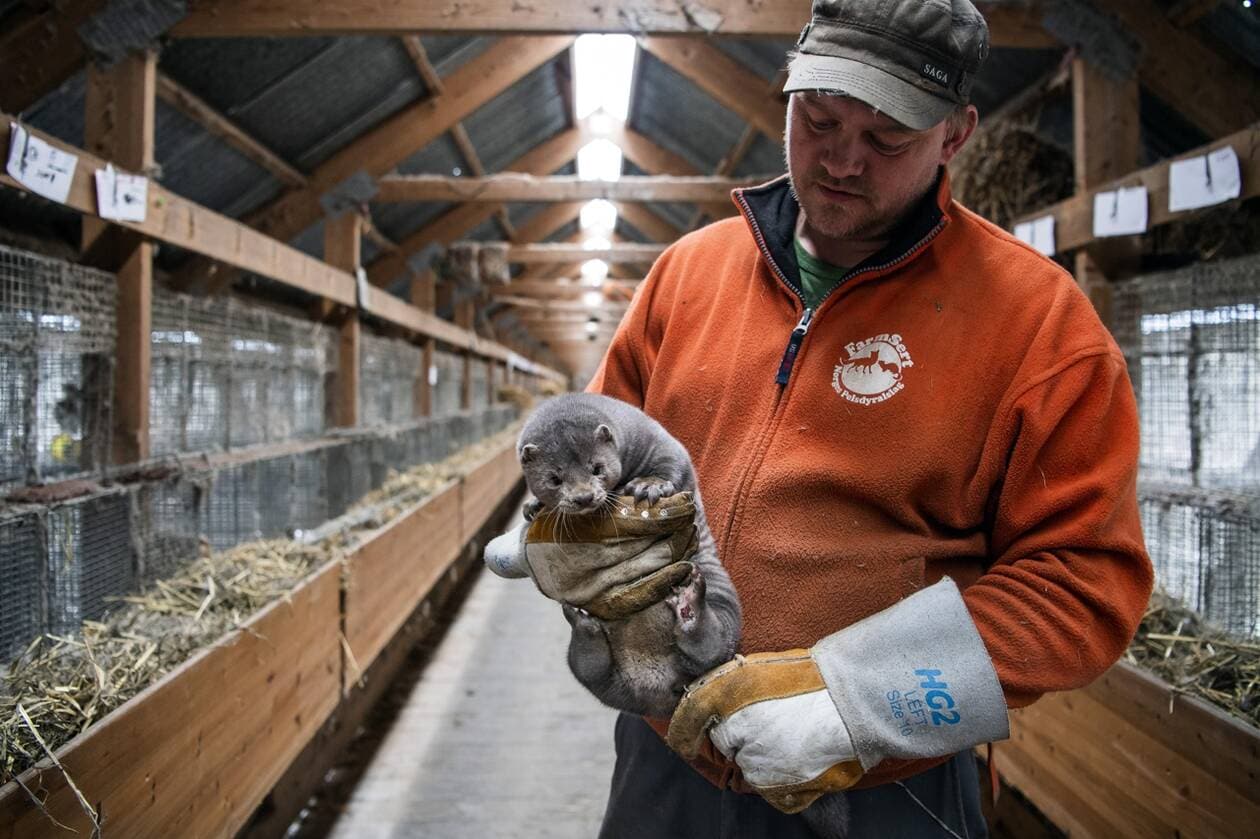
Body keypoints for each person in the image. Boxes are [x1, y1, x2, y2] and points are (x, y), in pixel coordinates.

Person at [585, 0, 1154, 836]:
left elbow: (1083, 579)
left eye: (887, 139)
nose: (843, 159)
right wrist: (592, 561)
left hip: (883, 789)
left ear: (956, 135)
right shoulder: (688, 276)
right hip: (666, 761)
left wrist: (855, 704)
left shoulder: (1039, 326)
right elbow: (609, 452)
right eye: (818, 120)